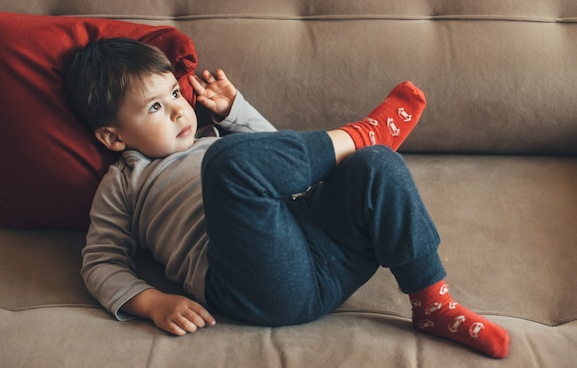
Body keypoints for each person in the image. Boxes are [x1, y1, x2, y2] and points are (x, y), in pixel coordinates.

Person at [65, 37, 510, 359]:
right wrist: (150, 303)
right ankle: (359, 134)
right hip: (257, 286)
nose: (182, 109)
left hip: (328, 249)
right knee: (230, 163)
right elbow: (100, 263)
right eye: (156, 107)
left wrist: (237, 111)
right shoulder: (124, 181)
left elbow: (285, 160)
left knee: (375, 164)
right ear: (113, 136)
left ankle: (431, 302)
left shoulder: (214, 135)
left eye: (176, 93)